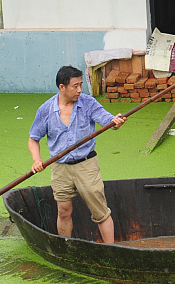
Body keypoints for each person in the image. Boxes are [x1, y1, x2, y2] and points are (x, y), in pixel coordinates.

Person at [28, 65, 125, 243]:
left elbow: (106, 119)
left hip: (86, 165)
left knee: (100, 212)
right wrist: (37, 160)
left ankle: (111, 250)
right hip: (60, 168)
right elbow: (33, 139)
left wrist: (114, 122)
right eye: (75, 86)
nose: (80, 90)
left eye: (81, 85)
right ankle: (66, 248)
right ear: (62, 87)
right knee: (64, 211)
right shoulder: (46, 110)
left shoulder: (88, 103)